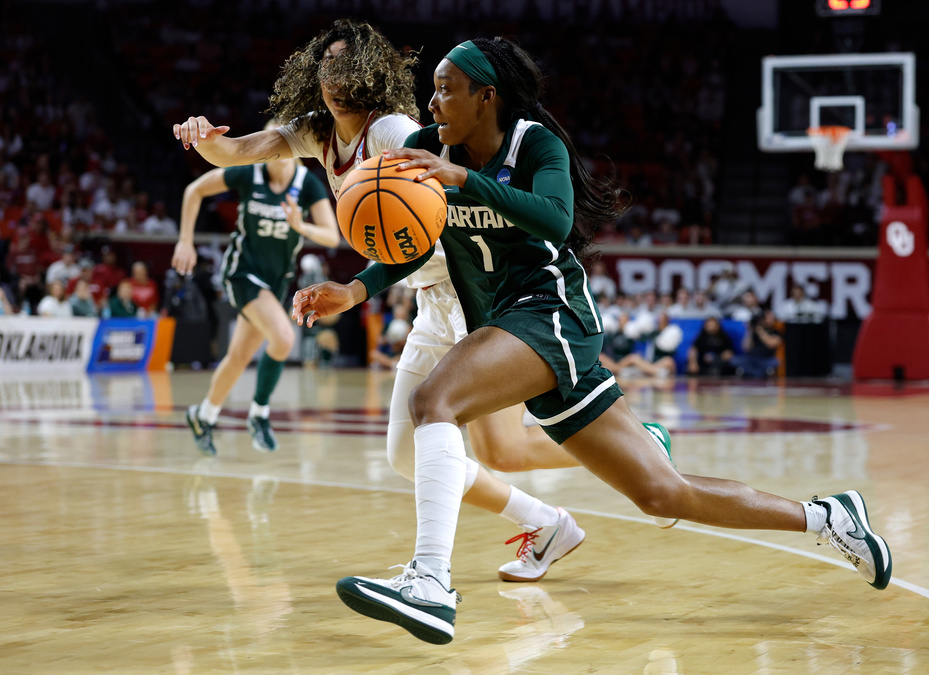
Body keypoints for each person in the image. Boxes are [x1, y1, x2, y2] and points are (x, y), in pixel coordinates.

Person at [291, 37, 892, 645]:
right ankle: (827, 516)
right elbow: (412, 240)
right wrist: (356, 290)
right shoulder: (424, 149)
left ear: (486, 96)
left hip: (551, 315)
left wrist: (466, 179)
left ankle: (431, 583)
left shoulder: (535, 143)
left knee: (433, 403)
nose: (433, 100)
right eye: (435, 87)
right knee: (661, 494)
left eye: (448, 87)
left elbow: (554, 217)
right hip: (507, 323)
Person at [172, 21, 613, 582]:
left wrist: (359, 288)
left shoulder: (400, 132)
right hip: (430, 301)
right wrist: (203, 136)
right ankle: (547, 522)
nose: (333, 78)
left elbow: (443, 224)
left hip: (473, 289)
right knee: (410, 455)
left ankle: (433, 574)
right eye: (324, 66)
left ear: (369, 73)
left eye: (344, 66)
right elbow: (235, 150)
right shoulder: (316, 132)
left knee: (500, 449)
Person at [172, 119, 338, 456]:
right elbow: (195, 190)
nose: (274, 155)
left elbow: (332, 236)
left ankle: (203, 416)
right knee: (284, 337)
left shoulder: (307, 185)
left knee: (238, 357)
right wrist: (185, 241)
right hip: (243, 273)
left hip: (276, 280)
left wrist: (300, 225)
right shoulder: (249, 172)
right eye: (268, 148)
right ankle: (260, 413)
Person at [732, 308, 783, 379]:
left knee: (776, 362)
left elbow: (770, 344)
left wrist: (760, 330)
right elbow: (746, 348)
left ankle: (754, 373)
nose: (768, 320)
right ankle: (756, 373)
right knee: (735, 360)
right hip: (752, 359)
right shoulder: (753, 331)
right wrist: (749, 330)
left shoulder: (775, 332)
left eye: (771, 318)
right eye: (766, 318)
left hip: (766, 360)